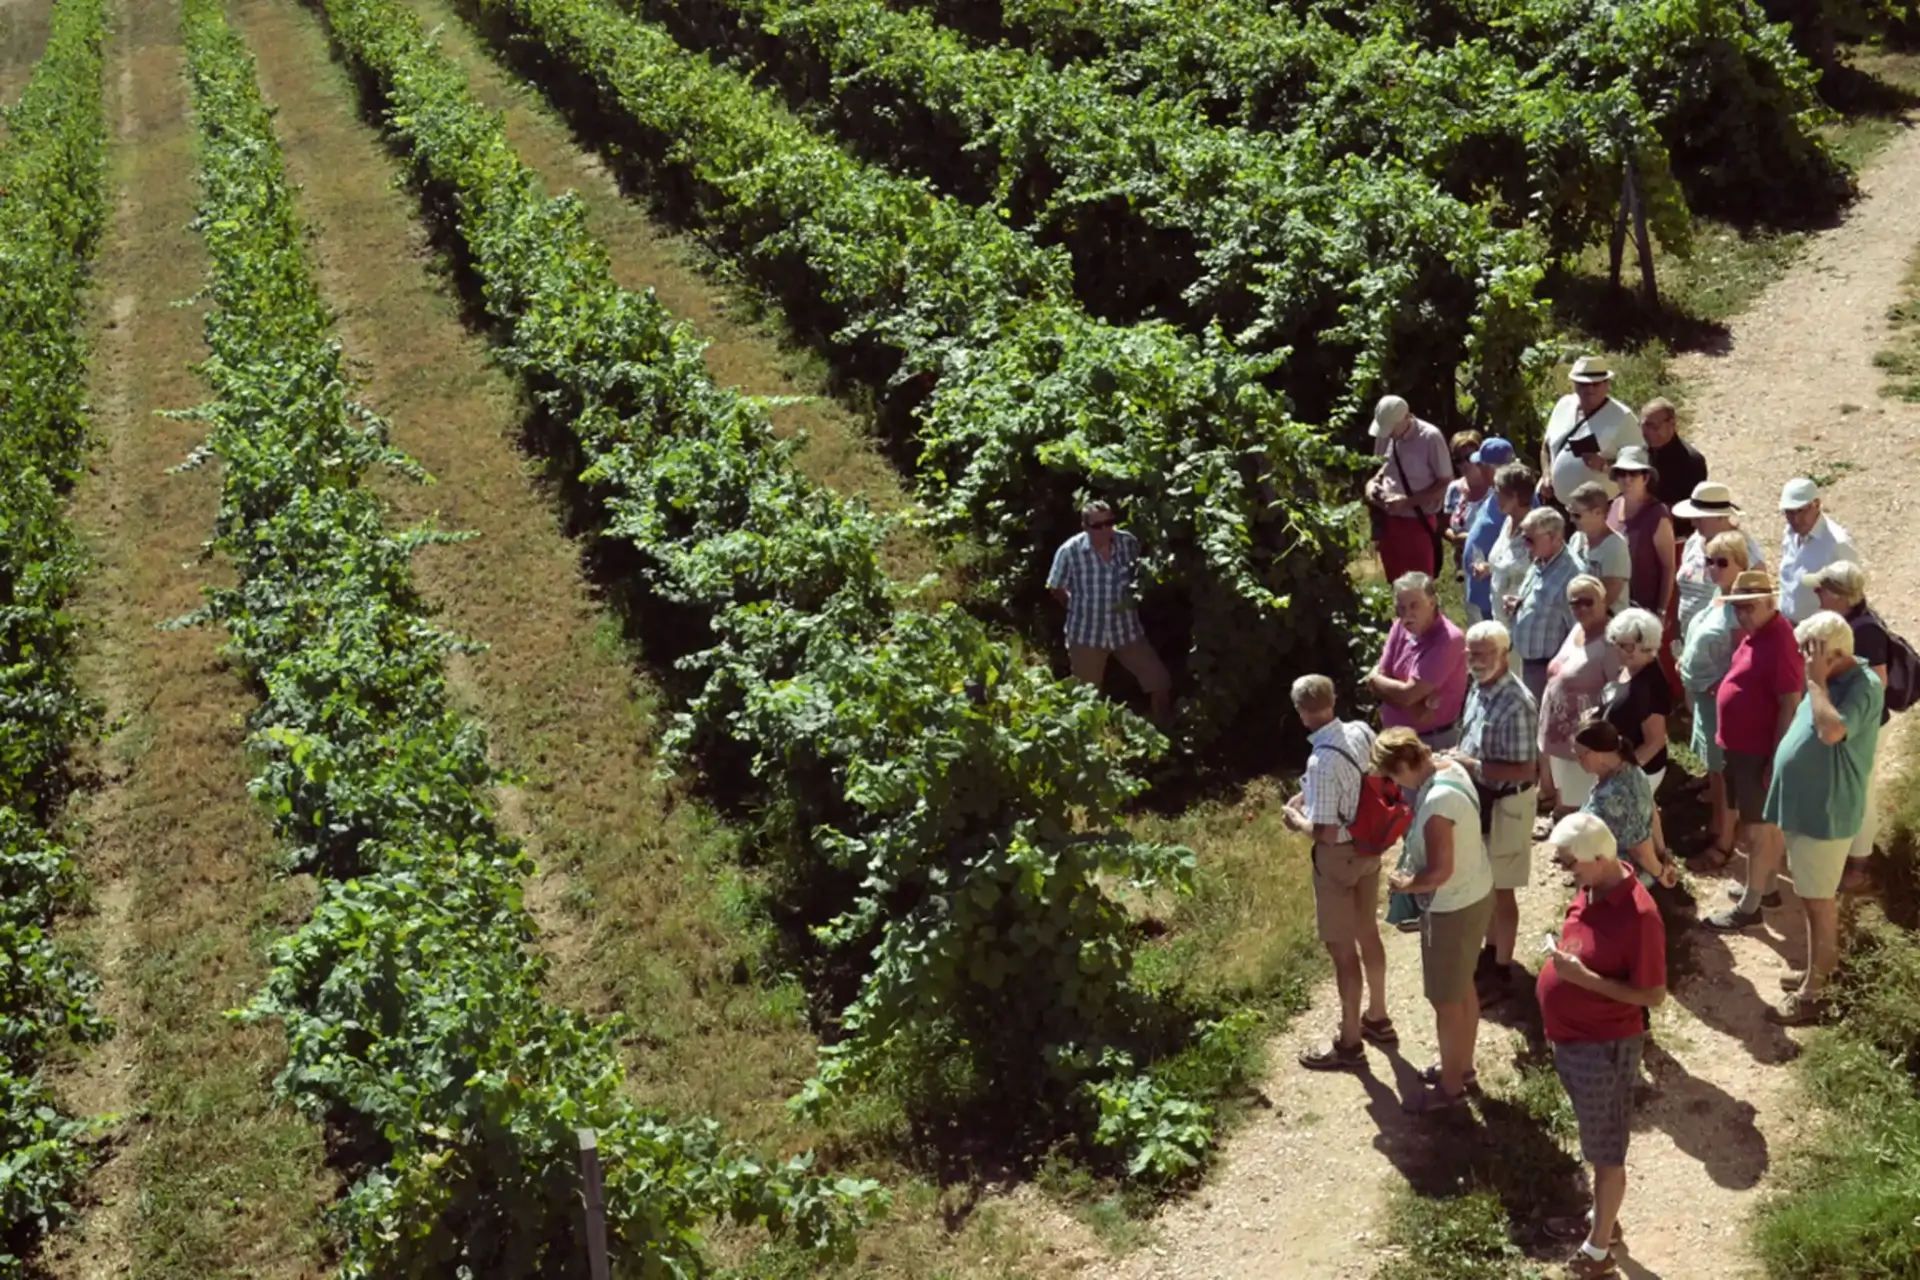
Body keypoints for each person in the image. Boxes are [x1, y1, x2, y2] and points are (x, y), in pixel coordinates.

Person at [1538, 811, 1668, 1280]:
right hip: (1573, 1042)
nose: (1563, 870)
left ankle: (1598, 1254)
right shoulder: (1591, 888)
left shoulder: (1641, 916)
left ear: (1598, 857)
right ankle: (1604, 1222)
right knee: (1595, 1141)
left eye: (1569, 862)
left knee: (1606, 1150)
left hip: (1605, 1047)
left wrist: (1582, 980)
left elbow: (1653, 995)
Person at [1763, 612, 1884, 1025]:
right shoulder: (1829, 679)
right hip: (1807, 806)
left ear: (1831, 654)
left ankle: (1816, 992)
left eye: (1808, 652)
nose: (1801, 658)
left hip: (1826, 810)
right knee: (1811, 897)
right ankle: (1818, 970)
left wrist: (1815, 680)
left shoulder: (1863, 687)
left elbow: (1831, 731)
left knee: (1819, 903)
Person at [1284, 675, 1397, 1069]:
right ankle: (1378, 1016)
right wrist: (1308, 794)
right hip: (1370, 847)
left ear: (1301, 712)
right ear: (1332, 700)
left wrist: (1296, 819)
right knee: (1368, 931)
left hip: (1338, 860)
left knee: (1342, 952)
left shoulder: (1320, 760)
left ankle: (1349, 1043)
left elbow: (1325, 832)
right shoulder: (1361, 731)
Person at [1377, 728, 1493, 1112]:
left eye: (1395, 776)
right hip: (1477, 892)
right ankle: (1462, 1067)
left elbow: (1440, 872)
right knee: (1463, 989)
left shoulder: (1437, 804)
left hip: (1452, 908)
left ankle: (1450, 1089)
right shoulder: (1451, 768)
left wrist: (1406, 884)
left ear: (1407, 764)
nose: (1397, 785)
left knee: (1445, 999)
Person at [1704, 571, 1806, 931]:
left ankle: (1750, 906)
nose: (1743, 615)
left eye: (1749, 607)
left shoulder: (1780, 641)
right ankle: (1769, 888)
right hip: (1741, 748)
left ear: (1769, 603)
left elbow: (1789, 704)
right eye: (1738, 609)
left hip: (1759, 752)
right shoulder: (1758, 635)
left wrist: (1776, 760)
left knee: (1757, 829)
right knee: (1759, 824)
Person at [1445, 621, 1540, 1006]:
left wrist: (1470, 765)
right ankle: (1489, 955)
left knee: (1501, 891)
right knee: (1483, 884)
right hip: (1482, 801)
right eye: (1471, 652)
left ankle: (1501, 971)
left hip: (1507, 806)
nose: (1475, 660)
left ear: (1504, 654)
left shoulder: (1515, 701)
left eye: (1483, 653)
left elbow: (1524, 770)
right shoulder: (1480, 688)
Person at [1048, 501, 1173, 724]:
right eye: (1098, 526)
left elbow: (1138, 576)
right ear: (1085, 526)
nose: (1106, 530)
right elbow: (1055, 586)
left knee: (1159, 680)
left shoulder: (1128, 543)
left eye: (1110, 523)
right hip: (1087, 635)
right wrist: (1075, 607)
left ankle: (1164, 729)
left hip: (1126, 632)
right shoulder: (1070, 551)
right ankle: (1093, 743)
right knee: (1087, 698)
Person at [1808, 561, 1892, 893]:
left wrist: (1847, 717)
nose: (1816, 593)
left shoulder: (1864, 631)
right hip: (1851, 723)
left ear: (1841, 596)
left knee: (1863, 792)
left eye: (1822, 589)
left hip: (1864, 727)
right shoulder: (1851, 621)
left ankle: (1860, 865)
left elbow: (1878, 682)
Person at [1680, 533, 1752, 871]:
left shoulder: (1741, 609)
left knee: (1723, 774)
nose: (1714, 568)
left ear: (1741, 564)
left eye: (1722, 562)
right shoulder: (1719, 598)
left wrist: (1722, 686)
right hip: (1707, 702)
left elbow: (1745, 660)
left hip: (1724, 706)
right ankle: (1717, 827)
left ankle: (1724, 842)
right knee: (1714, 771)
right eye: (1710, 560)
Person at [1539, 576, 1620, 818]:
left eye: (1588, 601)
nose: (1581, 608)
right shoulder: (1577, 629)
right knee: (1566, 794)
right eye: (1575, 603)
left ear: (1604, 600)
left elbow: (1617, 693)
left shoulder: (1611, 642)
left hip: (1583, 742)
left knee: (1580, 806)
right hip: (1560, 735)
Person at [1600, 609, 1672, 862]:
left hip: (1640, 768)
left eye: (1625, 645)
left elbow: (1654, 741)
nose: (1619, 650)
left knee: (1633, 825)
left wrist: (1623, 772)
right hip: (1623, 763)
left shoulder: (1649, 683)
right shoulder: (1630, 668)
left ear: (1643, 646)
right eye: (1617, 643)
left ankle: (1648, 871)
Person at [1368, 573, 1469, 749]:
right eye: (1401, 608)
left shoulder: (1449, 639)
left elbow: (1407, 695)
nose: (1407, 614)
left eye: (1414, 605)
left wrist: (1378, 681)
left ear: (1432, 602)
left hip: (1430, 743)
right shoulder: (1400, 626)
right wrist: (1411, 701)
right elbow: (1384, 678)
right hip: (1395, 737)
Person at [1576, 718, 1675, 889]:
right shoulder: (1633, 769)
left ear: (1595, 754)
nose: (1578, 761)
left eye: (1580, 756)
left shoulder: (1613, 796)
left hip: (1619, 880)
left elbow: (1639, 849)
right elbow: (1652, 814)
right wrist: (1662, 853)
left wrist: (1660, 874)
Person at [1366, 395, 1453, 582]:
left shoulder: (1430, 437)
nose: (1388, 433)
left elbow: (1445, 482)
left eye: (1391, 428)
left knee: (1420, 587)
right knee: (1396, 584)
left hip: (1418, 524)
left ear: (1406, 417)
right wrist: (1372, 485)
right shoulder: (1385, 435)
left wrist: (1407, 502)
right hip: (1389, 522)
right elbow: (1380, 468)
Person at [1672, 481, 1768, 645]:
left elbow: (1758, 602)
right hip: (1690, 638)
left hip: (1723, 644)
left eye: (1699, 518)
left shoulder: (1744, 548)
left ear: (1720, 516)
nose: (1693, 523)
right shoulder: (1694, 541)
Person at [1507, 508, 1582, 704]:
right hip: (1529, 664)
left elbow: (1580, 631)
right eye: (1524, 537)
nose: (1525, 545)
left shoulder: (1573, 575)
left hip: (1549, 670)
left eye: (1530, 539)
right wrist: (1520, 605)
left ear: (1554, 537)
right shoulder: (1540, 561)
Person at [1540, 357, 1637, 506]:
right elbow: (1546, 446)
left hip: (1600, 510)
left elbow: (1639, 465)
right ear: (1574, 384)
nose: (1589, 389)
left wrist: (1604, 466)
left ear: (1607, 384)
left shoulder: (1623, 417)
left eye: (1595, 384)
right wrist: (1546, 475)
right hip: (1557, 503)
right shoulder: (1563, 405)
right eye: (1583, 384)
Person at [1778, 477, 1861, 625]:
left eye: (1800, 511)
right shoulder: (1789, 534)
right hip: (1787, 628)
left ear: (1816, 504)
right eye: (1789, 512)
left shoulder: (1837, 543)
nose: (1795, 519)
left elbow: (1852, 595)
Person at [1605, 446, 1675, 617]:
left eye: (1634, 473)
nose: (1627, 479)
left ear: (1645, 478)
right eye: (1622, 473)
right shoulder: (1614, 506)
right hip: (1613, 609)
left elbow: (1668, 568)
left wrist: (1662, 610)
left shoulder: (1658, 514)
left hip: (1644, 611)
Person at [1476, 459, 1534, 634]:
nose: (1495, 497)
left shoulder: (1535, 532)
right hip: (1500, 622)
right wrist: (1488, 568)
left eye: (1499, 492)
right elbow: (1505, 561)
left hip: (1523, 628)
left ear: (1515, 496)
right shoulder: (1508, 521)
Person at [1638, 399, 1708, 537]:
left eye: (1654, 426)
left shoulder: (1691, 461)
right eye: (1644, 425)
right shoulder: (1641, 454)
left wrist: (1654, 512)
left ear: (1672, 424)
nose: (1648, 432)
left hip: (1676, 535)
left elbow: (1693, 507)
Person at [1567, 482, 1631, 614]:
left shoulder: (1615, 546)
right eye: (1570, 512)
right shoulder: (1577, 538)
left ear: (1598, 513)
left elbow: (1606, 598)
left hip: (1606, 624)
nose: (1571, 520)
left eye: (1577, 515)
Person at [1443, 431, 1492, 599]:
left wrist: (1470, 538)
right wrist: (1455, 539)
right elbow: (1443, 525)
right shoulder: (1454, 489)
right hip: (1465, 566)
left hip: (1492, 565)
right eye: (1458, 459)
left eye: (1469, 457)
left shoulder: (1496, 489)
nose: (1464, 464)